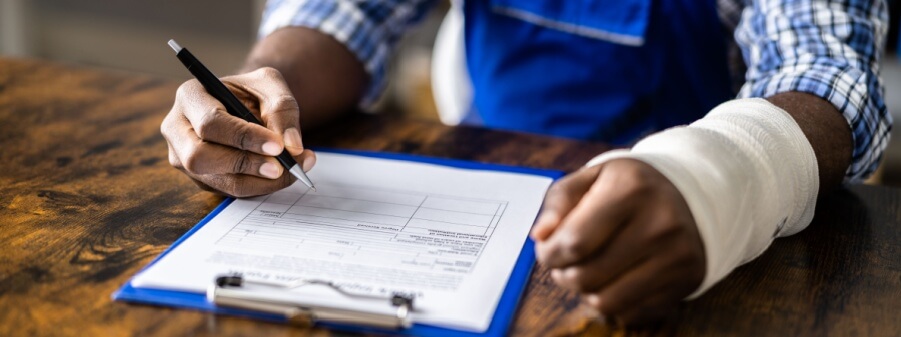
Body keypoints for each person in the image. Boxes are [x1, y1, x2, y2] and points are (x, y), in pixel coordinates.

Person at [160, 0, 891, 325]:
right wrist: (258, 91)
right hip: (483, 207)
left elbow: (832, 76)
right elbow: (344, 10)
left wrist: (714, 180)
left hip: (687, 231)